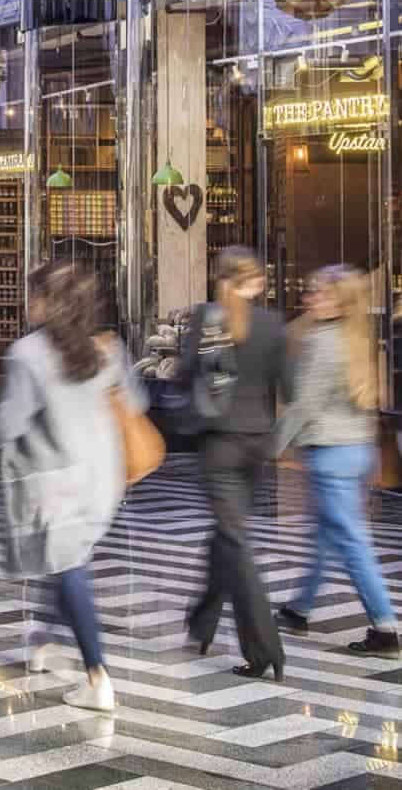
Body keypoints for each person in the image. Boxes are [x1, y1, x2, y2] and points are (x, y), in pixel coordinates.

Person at [0, 261, 145, 713]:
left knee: (68, 568)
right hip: (101, 477)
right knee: (65, 559)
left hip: (53, 480)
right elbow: (138, 402)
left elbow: (10, 421)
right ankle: (43, 641)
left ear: (50, 303)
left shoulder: (27, 353)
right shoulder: (107, 347)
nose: (30, 304)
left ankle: (97, 675)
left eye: (35, 296)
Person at [277, 265, 398, 655]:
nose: (311, 298)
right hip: (357, 451)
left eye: (321, 294)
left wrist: (268, 448)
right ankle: (300, 607)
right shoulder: (356, 336)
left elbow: (302, 408)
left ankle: (384, 625)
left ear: (341, 302)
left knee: (349, 540)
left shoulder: (323, 342)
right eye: (312, 291)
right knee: (327, 534)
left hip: (331, 455)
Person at [180, 246, 289, 679]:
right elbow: (288, 387)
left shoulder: (206, 319)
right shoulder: (272, 323)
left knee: (235, 542)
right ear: (258, 282)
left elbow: (184, 372)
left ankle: (265, 650)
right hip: (257, 444)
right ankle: (203, 623)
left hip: (219, 446)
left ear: (218, 277)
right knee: (229, 535)